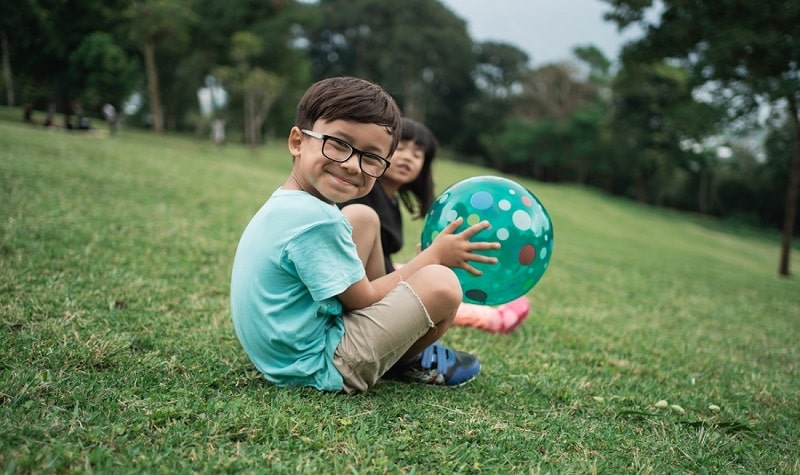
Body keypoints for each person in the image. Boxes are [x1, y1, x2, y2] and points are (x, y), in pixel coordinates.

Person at [230, 76, 500, 393]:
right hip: (316, 364)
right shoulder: (316, 220)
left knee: (363, 216)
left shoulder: (293, 203)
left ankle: (393, 333)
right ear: (298, 142)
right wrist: (433, 257)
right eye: (339, 145)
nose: (353, 166)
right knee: (442, 283)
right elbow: (364, 301)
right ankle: (401, 360)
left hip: (281, 352)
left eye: (370, 157)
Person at [340, 118, 530, 334]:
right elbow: (364, 278)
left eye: (417, 154)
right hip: (365, 290)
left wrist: (425, 261)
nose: (407, 158)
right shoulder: (363, 194)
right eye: (400, 148)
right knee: (436, 292)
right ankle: (491, 318)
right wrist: (428, 260)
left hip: (378, 280)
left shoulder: (391, 202)